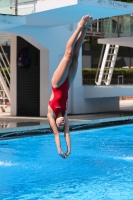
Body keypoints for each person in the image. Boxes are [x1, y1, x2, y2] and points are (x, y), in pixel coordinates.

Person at [47, 15, 93, 158]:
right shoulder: (65, 114)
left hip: (57, 83)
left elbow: (57, 134)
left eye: (59, 125)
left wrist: (59, 149)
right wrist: (68, 150)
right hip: (67, 83)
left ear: (55, 122)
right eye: (62, 125)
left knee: (68, 54)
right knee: (76, 55)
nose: (61, 124)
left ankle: (79, 25)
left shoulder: (51, 113)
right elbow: (66, 133)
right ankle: (85, 28)